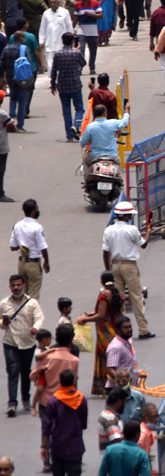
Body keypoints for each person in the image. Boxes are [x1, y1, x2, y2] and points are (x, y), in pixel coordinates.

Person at [102, 202, 152, 339]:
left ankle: (119, 330)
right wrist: (148, 231)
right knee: (136, 297)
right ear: (126, 215)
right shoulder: (131, 229)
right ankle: (143, 329)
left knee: (118, 300)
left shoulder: (109, 230)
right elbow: (143, 244)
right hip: (129, 266)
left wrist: (108, 270)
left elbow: (105, 252)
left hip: (115, 265)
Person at [2, 274, 44, 416]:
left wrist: (35, 328)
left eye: (18, 285)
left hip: (27, 343)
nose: (16, 288)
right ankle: (12, 403)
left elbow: (39, 317)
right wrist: (3, 323)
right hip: (10, 343)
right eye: (13, 285)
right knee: (13, 371)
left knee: (26, 372)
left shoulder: (32, 303)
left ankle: (26, 399)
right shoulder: (4, 304)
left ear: (23, 286)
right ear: (10, 287)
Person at [40, 369, 88, 476]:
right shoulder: (81, 399)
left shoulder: (53, 400)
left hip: (58, 446)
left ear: (60, 381)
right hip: (75, 445)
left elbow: (46, 426)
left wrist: (43, 446)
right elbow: (84, 424)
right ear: (74, 381)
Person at [9, 199, 50, 299]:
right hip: (33, 265)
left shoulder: (17, 226)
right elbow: (43, 247)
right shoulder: (37, 227)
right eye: (36, 209)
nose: (37, 211)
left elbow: (12, 247)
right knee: (33, 296)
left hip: (21, 264)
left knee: (23, 295)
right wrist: (46, 262)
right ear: (32, 211)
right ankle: (30, 314)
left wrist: (22, 247)